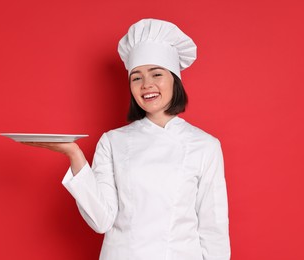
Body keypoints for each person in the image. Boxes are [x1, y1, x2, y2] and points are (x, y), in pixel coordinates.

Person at [25, 18, 230, 260]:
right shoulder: (113, 142)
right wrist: (74, 154)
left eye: (156, 74)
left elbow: (213, 231)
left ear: (175, 79)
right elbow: (102, 220)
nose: (147, 85)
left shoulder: (205, 146)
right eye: (136, 77)